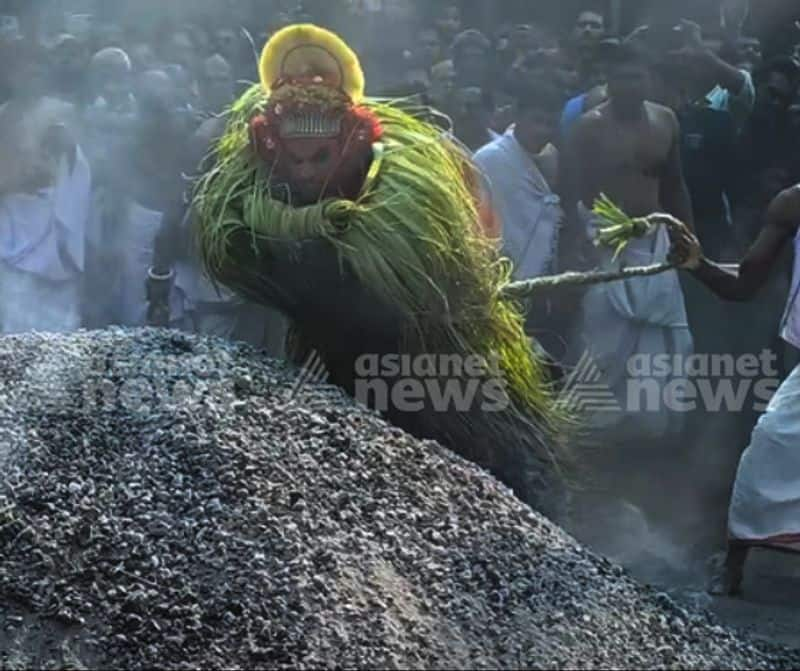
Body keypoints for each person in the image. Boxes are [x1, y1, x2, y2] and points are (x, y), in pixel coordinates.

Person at [559, 41, 694, 446]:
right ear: (609, 82)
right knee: (603, 335)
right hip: (606, 238)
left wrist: (686, 234)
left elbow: (674, 183)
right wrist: (576, 242)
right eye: (621, 77)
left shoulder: (666, 120)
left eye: (637, 76)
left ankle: (648, 433)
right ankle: (585, 431)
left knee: (665, 338)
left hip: (655, 241)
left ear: (649, 79)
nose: (630, 84)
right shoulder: (589, 127)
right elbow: (569, 190)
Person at [687, 185, 800, 596]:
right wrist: (697, 265)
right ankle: (733, 561)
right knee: (770, 444)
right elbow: (743, 284)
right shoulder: (793, 203)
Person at [0, 46, 91, 334]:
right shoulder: (4, 115)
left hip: (52, 216)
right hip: (12, 220)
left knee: (58, 326)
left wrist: (70, 147)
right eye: (23, 70)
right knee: (13, 315)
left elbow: (81, 159)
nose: (30, 76)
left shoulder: (61, 111)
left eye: (37, 70)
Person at [474, 79, 564, 360]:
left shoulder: (554, 158)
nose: (543, 131)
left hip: (543, 286)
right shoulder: (490, 159)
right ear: (517, 115)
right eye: (537, 121)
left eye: (550, 123)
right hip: (497, 281)